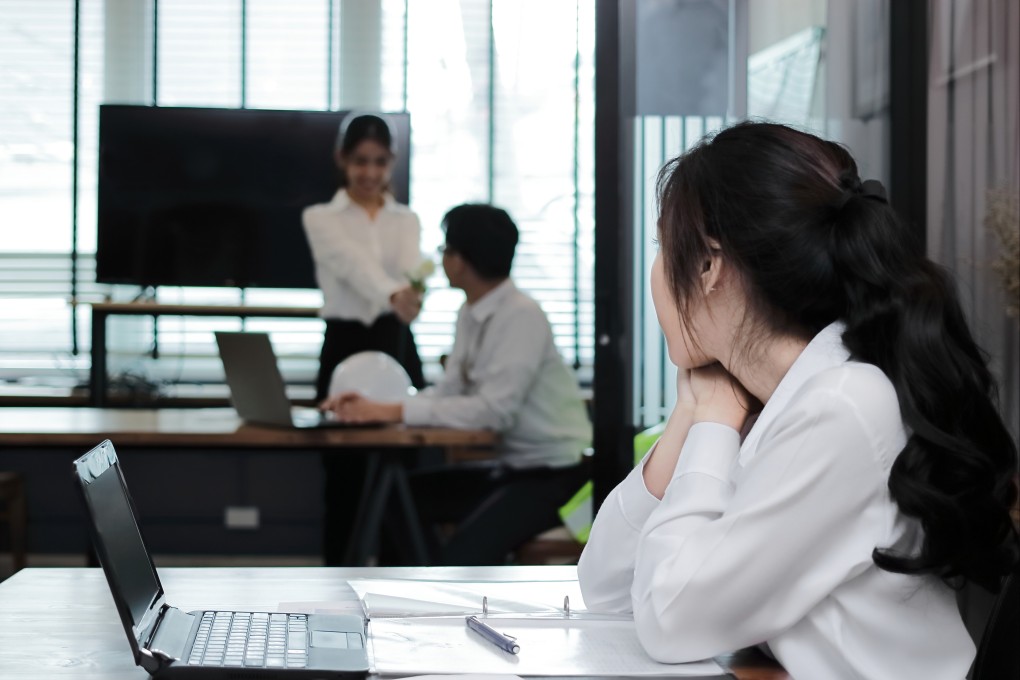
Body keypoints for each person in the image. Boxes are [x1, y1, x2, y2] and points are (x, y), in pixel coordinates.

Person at [576, 122, 1018, 679]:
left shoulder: (842, 404)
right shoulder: (777, 395)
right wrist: (691, 415)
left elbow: (671, 618)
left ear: (710, 265)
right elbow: (608, 589)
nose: (657, 272)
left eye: (665, 248)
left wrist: (711, 421)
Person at [322, 203, 593, 565]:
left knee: (461, 557)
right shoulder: (470, 312)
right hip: (511, 468)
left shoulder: (521, 316)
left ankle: (437, 591)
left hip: (556, 478)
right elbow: (450, 392)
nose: (443, 259)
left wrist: (390, 409)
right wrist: (375, 406)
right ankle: (416, 595)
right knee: (397, 498)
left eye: (446, 249)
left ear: (461, 260)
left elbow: (493, 413)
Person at [302, 112, 426, 565]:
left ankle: (402, 596)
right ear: (342, 160)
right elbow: (352, 265)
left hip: (397, 342)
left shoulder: (405, 219)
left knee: (402, 477)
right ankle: (336, 587)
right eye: (360, 162)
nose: (370, 173)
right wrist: (396, 293)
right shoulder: (320, 217)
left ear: (392, 162)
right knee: (344, 480)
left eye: (379, 162)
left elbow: (413, 272)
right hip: (345, 344)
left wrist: (410, 296)